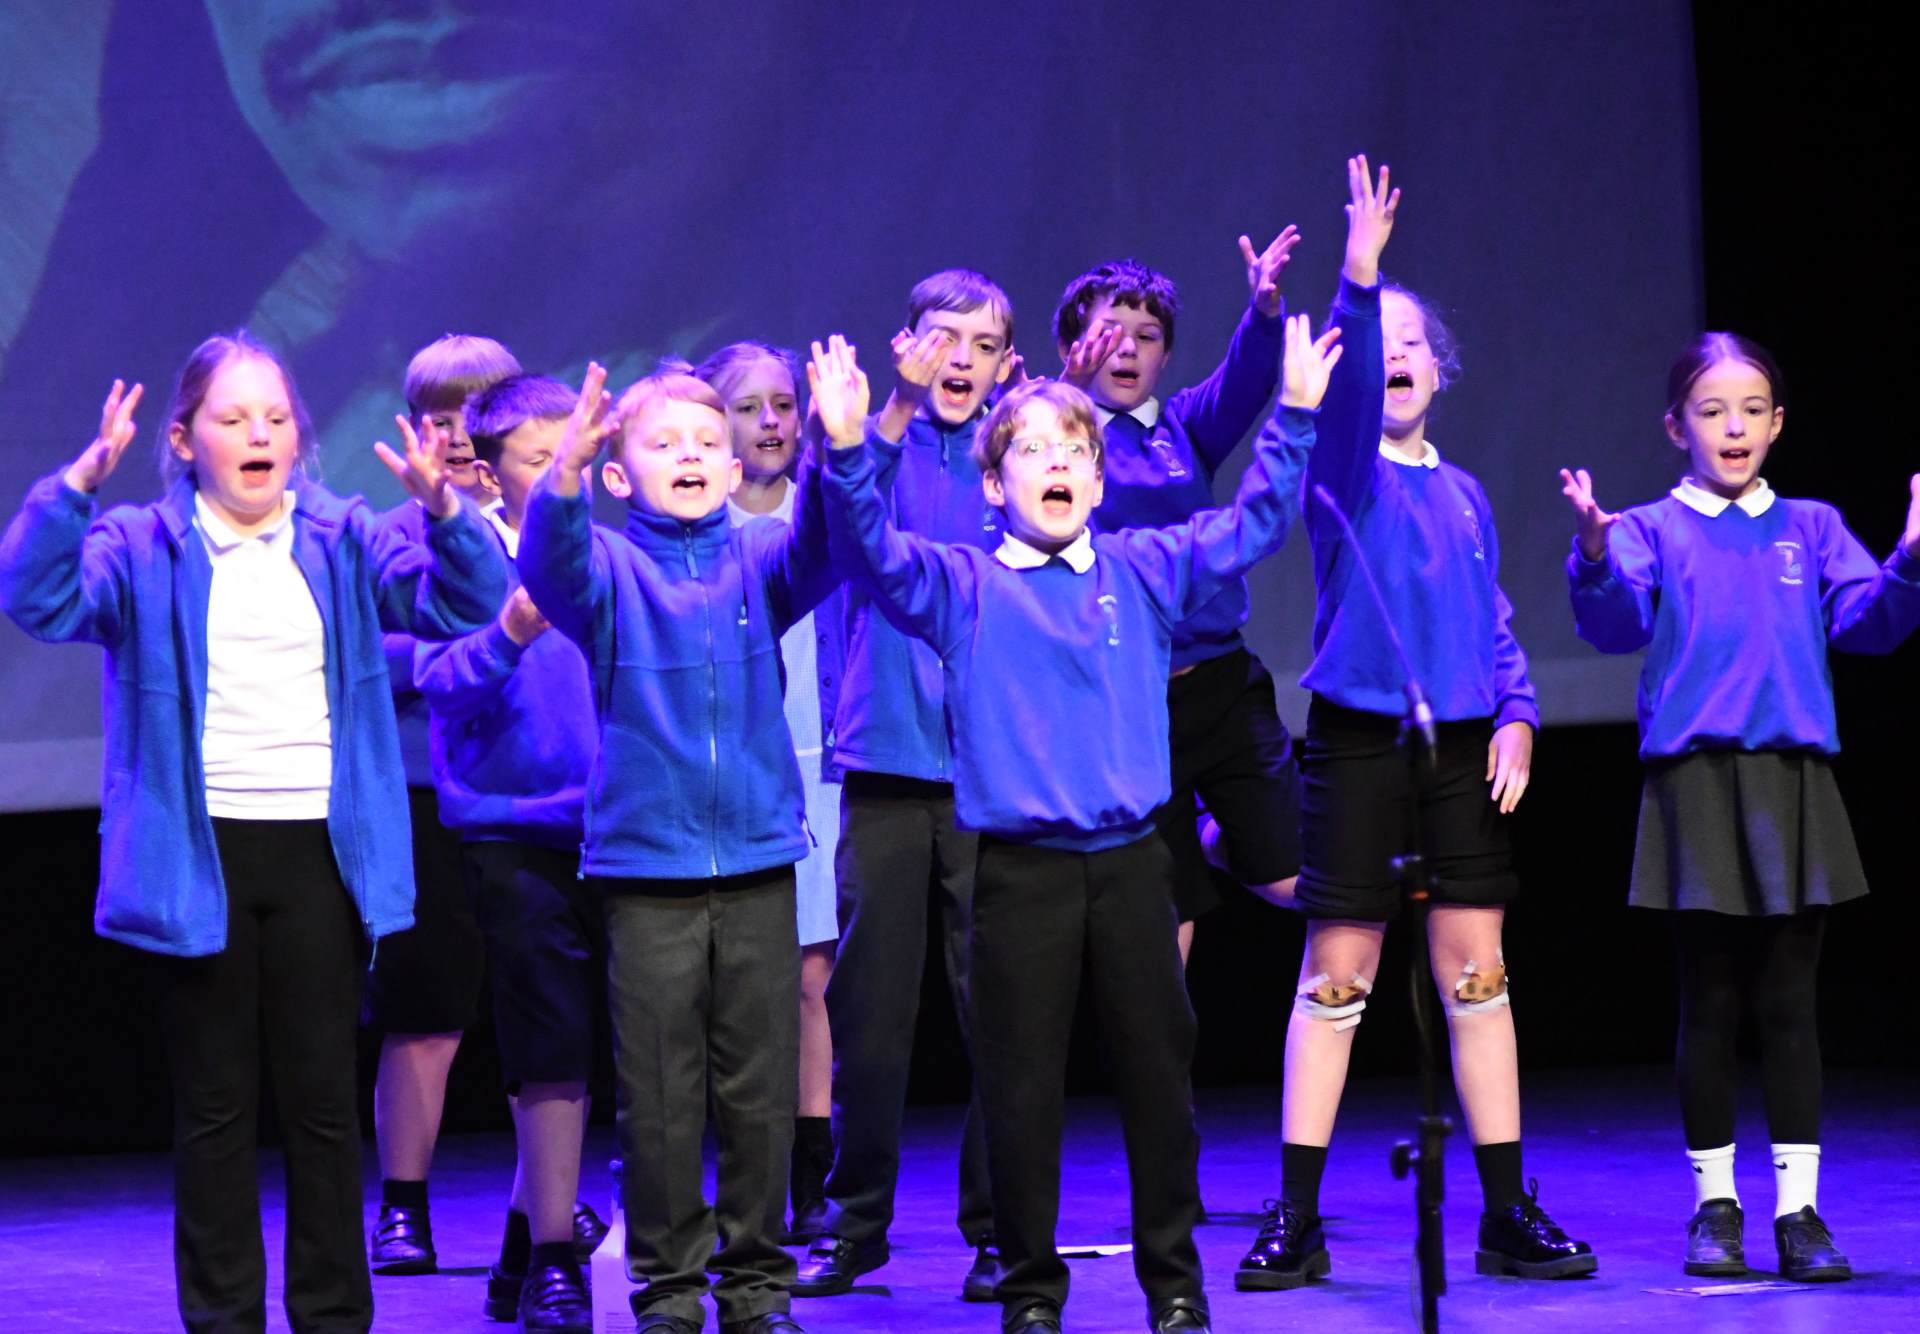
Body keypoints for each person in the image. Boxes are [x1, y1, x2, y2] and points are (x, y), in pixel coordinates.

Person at [807, 316, 1334, 1334]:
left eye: (1075, 450)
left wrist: (1298, 415)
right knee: (1019, 1089)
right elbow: (866, 549)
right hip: (1020, 874)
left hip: (1133, 865)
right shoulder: (964, 586)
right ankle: (1029, 1290)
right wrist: (847, 446)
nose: (1057, 463)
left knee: (1157, 1083)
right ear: (993, 484)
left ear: (1098, 481)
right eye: (1033, 450)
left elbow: (1256, 523)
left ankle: (1174, 1285)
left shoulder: (1142, 568)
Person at [0, 332, 505, 1333]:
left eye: (275, 417)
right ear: (186, 439)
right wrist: (75, 487)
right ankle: (223, 1316)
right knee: (216, 1105)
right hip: (199, 854)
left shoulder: (344, 533)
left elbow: (469, 602)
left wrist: (446, 511)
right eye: (232, 419)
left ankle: (331, 1314)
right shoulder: (142, 544)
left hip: (319, 849)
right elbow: (35, 597)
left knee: (322, 1102)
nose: (259, 433)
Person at [1235, 158, 1593, 1293]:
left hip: (1456, 752)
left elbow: (1492, 620)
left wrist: (1519, 715)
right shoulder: (1343, 473)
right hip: (1356, 744)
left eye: (1412, 342)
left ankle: (1506, 1209)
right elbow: (1341, 408)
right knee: (1338, 973)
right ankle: (1296, 1216)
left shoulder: (1467, 492)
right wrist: (1357, 275)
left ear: (1440, 368)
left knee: (1478, 972)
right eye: (1376, 341)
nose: (1395, 355)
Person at [1562, 333, 1920, 1281]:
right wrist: (1593, 553)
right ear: (1675, 425)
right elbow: (1613, 626)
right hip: (1697, 784)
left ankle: (1799, 1215)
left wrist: (1912, 561)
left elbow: (1870, 624)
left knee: (1792, 1003)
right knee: (1711, 1003)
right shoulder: (1649, 528)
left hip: (1793, 782)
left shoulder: (1812, 525)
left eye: (1752, 410)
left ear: (1777, 424)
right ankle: (1714, 1208)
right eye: (1712, 410)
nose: (1734, 427)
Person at [519, 362, 839, 1334]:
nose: (691, 455)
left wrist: (845, 444)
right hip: (647, 871)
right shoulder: (609, 571)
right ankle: (668, 1291)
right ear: (621, 475)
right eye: (663, 443)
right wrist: (563, 474)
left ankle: (757, 1287)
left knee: (758, 1094)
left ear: (735, 465)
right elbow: (549, 567)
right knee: (660, 1096)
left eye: (707, 441)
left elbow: (830, 542)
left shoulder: (762, 557)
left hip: (757, 860)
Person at [796, 271, 1010, 1300]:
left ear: (1007, 364)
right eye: (942, 339)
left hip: (992, 768)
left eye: (983, 344)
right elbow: (838, 529)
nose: (961, 358)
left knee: (998, 1009)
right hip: (885, 758)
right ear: (908, 345)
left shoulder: (1017, 456)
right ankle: (854, 1222)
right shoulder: (868, 441)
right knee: (870, 1013)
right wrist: (886, 411)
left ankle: (1002, 1225)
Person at [415, 374, 607, 1330]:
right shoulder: (467, 560)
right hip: (512, 832)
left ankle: (523, 1246)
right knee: (549, 1047)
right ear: (491, 475)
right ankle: (555, 1259)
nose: (566, 473)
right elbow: (439, 680)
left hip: (615, 831)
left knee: (594, 1048)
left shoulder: (606, 555)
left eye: (577, 455)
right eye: (542, 460)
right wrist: (507, 634)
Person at [1050, 235, 1303, 959]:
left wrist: (1263, 312)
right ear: (1073, 345)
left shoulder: (1183, 427)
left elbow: (1243, 383)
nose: (1128, 349)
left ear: (1164, 356)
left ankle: (1216, 840)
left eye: (1148, 336)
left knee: (1297, 877)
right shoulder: (1052, 439)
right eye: (1110, 332)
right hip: (1126, 700)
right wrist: (1064, 392)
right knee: (1166, 925)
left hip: (1220, 685)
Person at [363, 332, 533, 1279]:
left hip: (530, 799)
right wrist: (462, 655)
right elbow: (366, 657)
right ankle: (402, 1206)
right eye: (441, 420)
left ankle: (544, 1205)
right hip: (426, 798)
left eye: (480, 416)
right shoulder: (390, 536)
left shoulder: (544, 527)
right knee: (424, 1009)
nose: (462, 437)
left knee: (539, 1012)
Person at [697, 342, 845, 1243]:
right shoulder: (694, 520)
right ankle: (724, 1171)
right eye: (748, 407)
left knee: (807, 980)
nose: (771, 422)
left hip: (818, 760)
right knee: (726, 989)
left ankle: (809, 1173)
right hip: (731, 766)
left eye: (783, 404)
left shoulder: (817, 512)